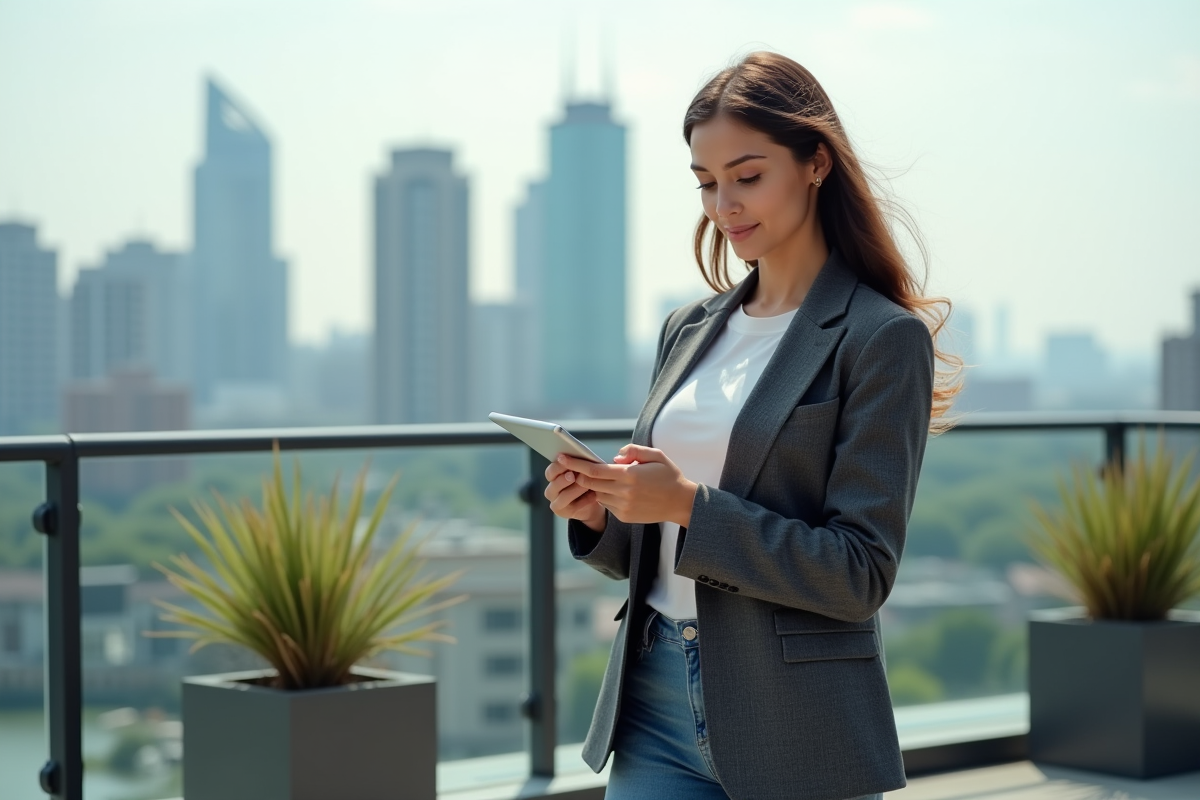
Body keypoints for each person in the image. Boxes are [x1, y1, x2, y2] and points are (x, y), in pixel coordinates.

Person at [543, 51, 961, 800]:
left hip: (793, 718)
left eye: (747, 176)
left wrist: (686, 505)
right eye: (706, 183)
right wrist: (603, 515)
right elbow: (662, 549)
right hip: (653, 697)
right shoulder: (687, 329)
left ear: (816, 163)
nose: (724, 205)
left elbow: (860, 574)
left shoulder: (880, 338)